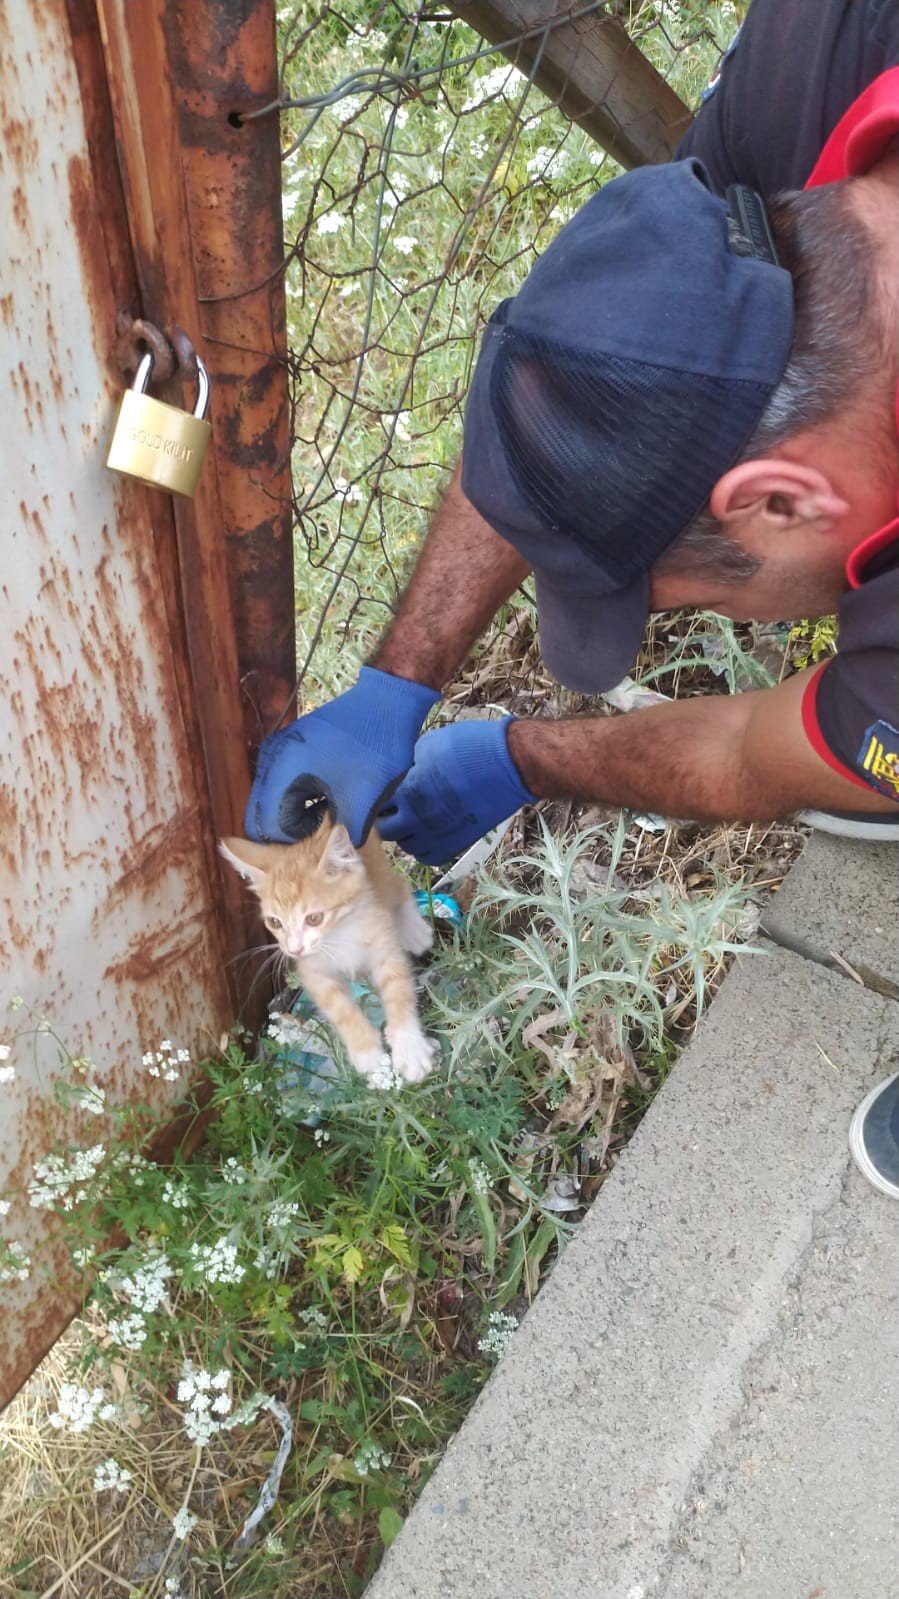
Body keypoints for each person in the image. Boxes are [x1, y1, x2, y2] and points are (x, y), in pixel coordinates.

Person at [246, 0, 899, 1191]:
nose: (668, 616)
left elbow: (776, 750)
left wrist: (521, 760)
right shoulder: (823, 55)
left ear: (775, 499)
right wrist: (397, 683)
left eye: (662, 591)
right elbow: (597, 357)